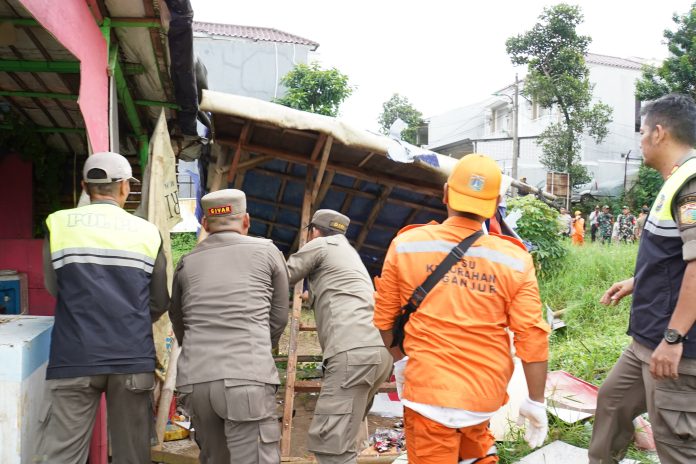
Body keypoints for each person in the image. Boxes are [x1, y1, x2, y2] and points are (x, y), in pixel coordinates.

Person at [373, 154, 550, 464]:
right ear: (495, 203)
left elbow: (385, 320)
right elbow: (532, 336)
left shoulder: (407, 245)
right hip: (482, 396)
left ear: (445, 194)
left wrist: (402, 363)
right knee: (476, 449)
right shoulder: (514, 259)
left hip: (427, 392)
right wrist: (536, 400)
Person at [36, 152, 169, 464]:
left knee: (62, 455)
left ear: (85, 186)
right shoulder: (147, 232)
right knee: (132, 456)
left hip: (73, 355)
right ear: (124, 187)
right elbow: (160, 300)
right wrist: (131, 318)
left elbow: (54, 286)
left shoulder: (58, 223)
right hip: (131, 357)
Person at [589, 94, 696, 463]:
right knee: (612, 402)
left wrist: (674, 337)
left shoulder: (692, 183)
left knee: (676, 445)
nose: (640, 141)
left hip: (675, 348)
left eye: (643, 132)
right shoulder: (676, 180)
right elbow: (677, 255)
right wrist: (637, 280)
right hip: (647, 340)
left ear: (660, 133)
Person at [170, 189, 289, 464]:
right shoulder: (268, 251)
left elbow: (178, 319)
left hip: (196, 382)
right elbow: (279, 315)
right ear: (246, 220)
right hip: (247, 378)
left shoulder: (187, 262)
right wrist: (258, 349)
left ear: (206, 225)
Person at [286, 209, 391, 464]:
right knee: (345, 441)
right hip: (377, 353)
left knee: (330, 446)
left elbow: (283, 274)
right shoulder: (347, 252)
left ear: (314, 231)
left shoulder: (321, 244)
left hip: (352, 353)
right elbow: (340, 293)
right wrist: (312, 297)